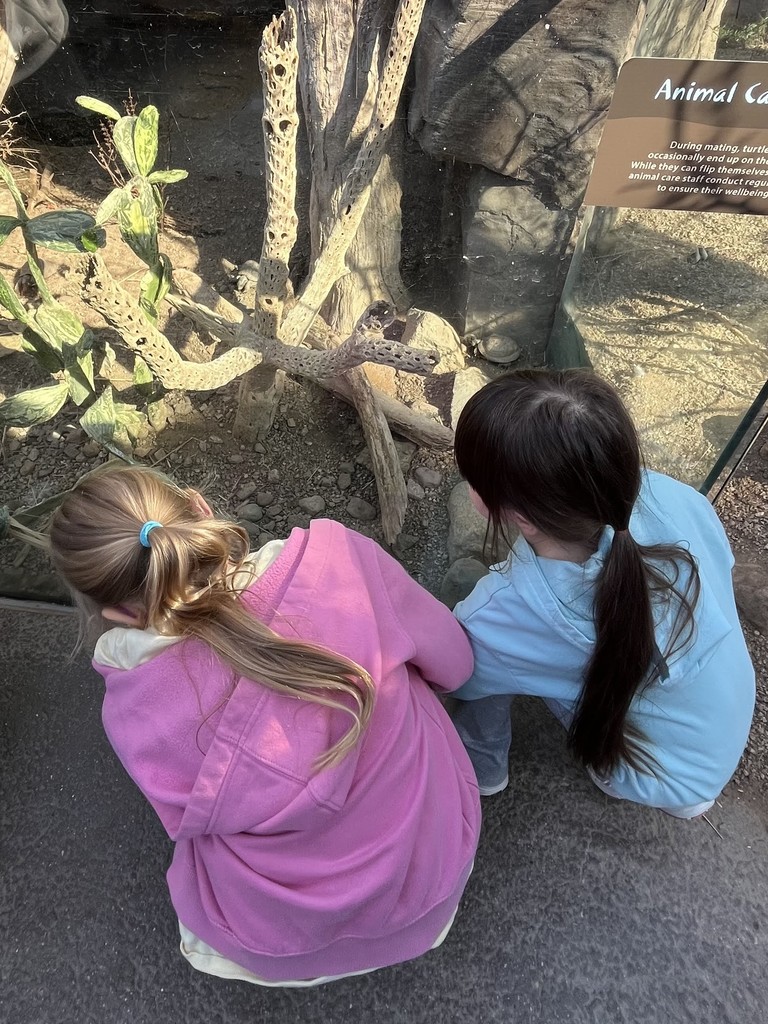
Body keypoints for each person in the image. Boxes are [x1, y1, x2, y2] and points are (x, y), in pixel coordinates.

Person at [48, 464, 480, 986]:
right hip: (430, 879)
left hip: (282, 943)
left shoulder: (130, 711)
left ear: (115, 614)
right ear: (201, 511)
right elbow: (454, 665)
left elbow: (183, 823)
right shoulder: (337, 558)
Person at [450, 369, 755, 819]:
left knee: (477, 660)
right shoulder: (677, 496)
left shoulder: (499, 613)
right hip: (716, 739)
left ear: (521, 517)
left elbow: (455, 675)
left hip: (653, 773)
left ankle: (481, 769)